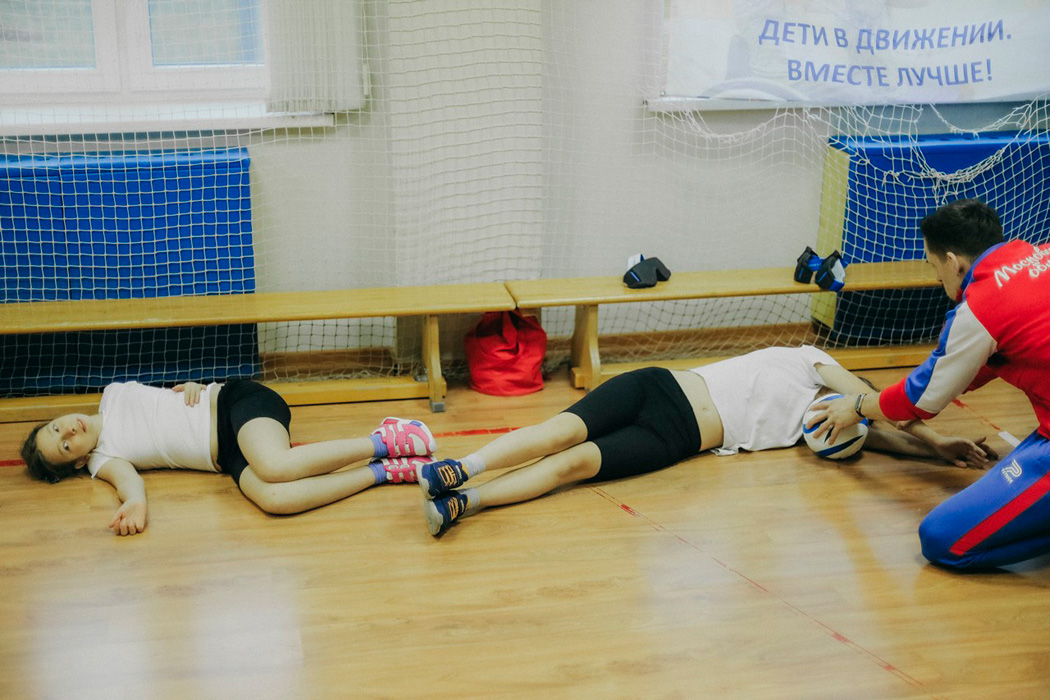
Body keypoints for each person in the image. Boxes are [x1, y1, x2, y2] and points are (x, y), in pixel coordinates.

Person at [415, 345, 996, 537]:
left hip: (674, 437)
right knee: (559, 431)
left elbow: (879, 436)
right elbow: (875, 404)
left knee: (573, 465)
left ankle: (466, 502)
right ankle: (460, 468)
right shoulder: (813, 362)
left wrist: (936, 450)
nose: (845, 421)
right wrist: (936, 434)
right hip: (655, 388)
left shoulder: (815, 428)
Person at [808, 198, 1050, 570]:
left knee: (941, 539)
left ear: (953, 262)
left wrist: (856, 406)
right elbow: (985, 362)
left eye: (934, 265)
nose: (937, 277)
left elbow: (920, 398)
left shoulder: (982, 305)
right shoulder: (1040, 254)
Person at [21, 379, 436, 535]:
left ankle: (385, 439)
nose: (68, 432)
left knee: (274, 466)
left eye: (56, 428)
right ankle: (384, 471)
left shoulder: (112, 394)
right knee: (275, 499)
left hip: (234, 404)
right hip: (229, 455)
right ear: (78, 462)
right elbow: (129, 482)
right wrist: (135, 503)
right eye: (64, 447)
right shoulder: (102, 459)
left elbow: (161, 398)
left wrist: (192, 385)